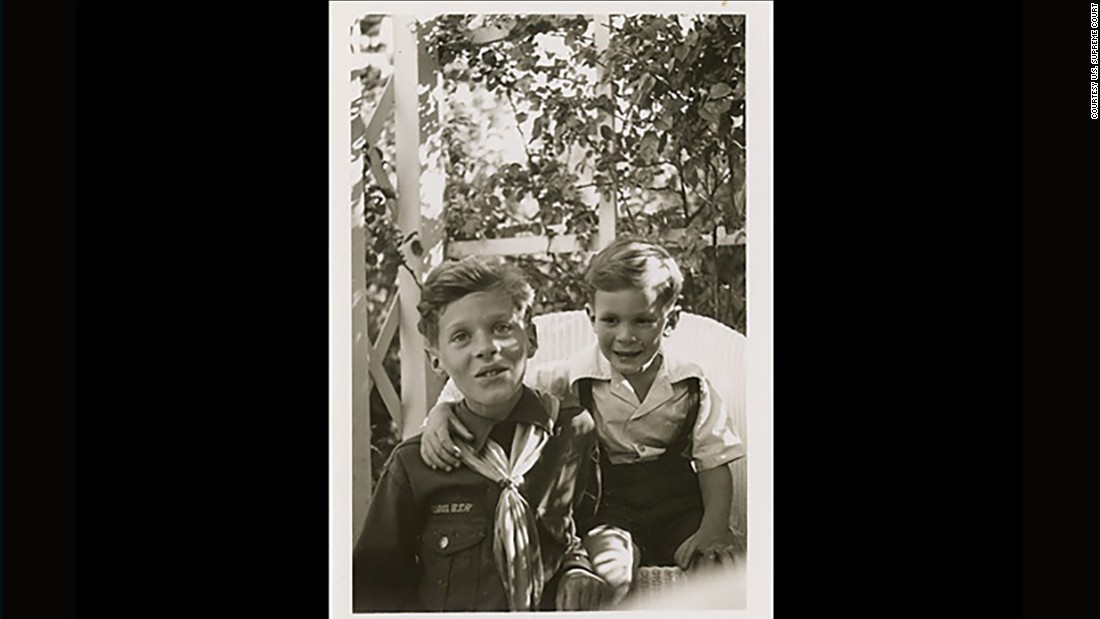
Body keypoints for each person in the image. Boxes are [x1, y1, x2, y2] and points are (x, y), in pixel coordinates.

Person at [420, 238, 745, 605]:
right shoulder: (571, 378)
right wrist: (441, 410)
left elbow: (714, 460)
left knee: (722, 572)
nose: (626, 336)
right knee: (610, 574)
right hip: (610, 509)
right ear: (591, 317)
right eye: (611, 320)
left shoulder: (692, 384)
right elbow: (501, 385)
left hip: (681, 508)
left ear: (670, 321)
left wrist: (714, 527)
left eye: (642, 320)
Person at [352, 256, 610, 612]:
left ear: (531, 339)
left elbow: (584, 524)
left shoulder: (572, 433)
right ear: (436, 359)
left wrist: (577, 566)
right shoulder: (413, 465)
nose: (486, 347)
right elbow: (375, 588)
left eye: (502, 327)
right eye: (461, 337)